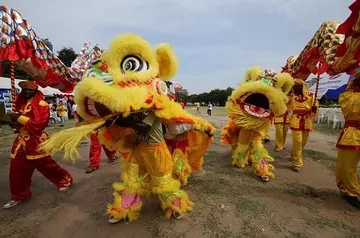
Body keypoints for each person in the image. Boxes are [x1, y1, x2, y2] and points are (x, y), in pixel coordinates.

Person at [3, 81, 72, 209]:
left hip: (36, 141)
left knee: (47, 165)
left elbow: (38, 125)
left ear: (35, 91)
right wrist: (15, 125)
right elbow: (21, 124)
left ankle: (65, 180)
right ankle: (20, 195)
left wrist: (19, 118)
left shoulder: (42, 104)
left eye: (28, 90)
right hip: (21, 141)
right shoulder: (21, 104)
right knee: (17, 169)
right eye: (23, 90)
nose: (25, 92)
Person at [335, 74, 360, 209]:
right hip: (352, 134)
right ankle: (350, 192)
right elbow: (352, 110)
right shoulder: (347, 95)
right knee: (347, 166)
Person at [289, 79, 319, 172]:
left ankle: (294, 153)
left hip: (307, 121)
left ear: (302, 86)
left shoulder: (311, 96)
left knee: (303, 142)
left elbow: (315, 110)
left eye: (297, 86)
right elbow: (286, 106)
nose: (295, 88)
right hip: (296, 120)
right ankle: (297, 163)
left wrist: (314, 109)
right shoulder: (291, 96)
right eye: (294, 86)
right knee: (297, 141)